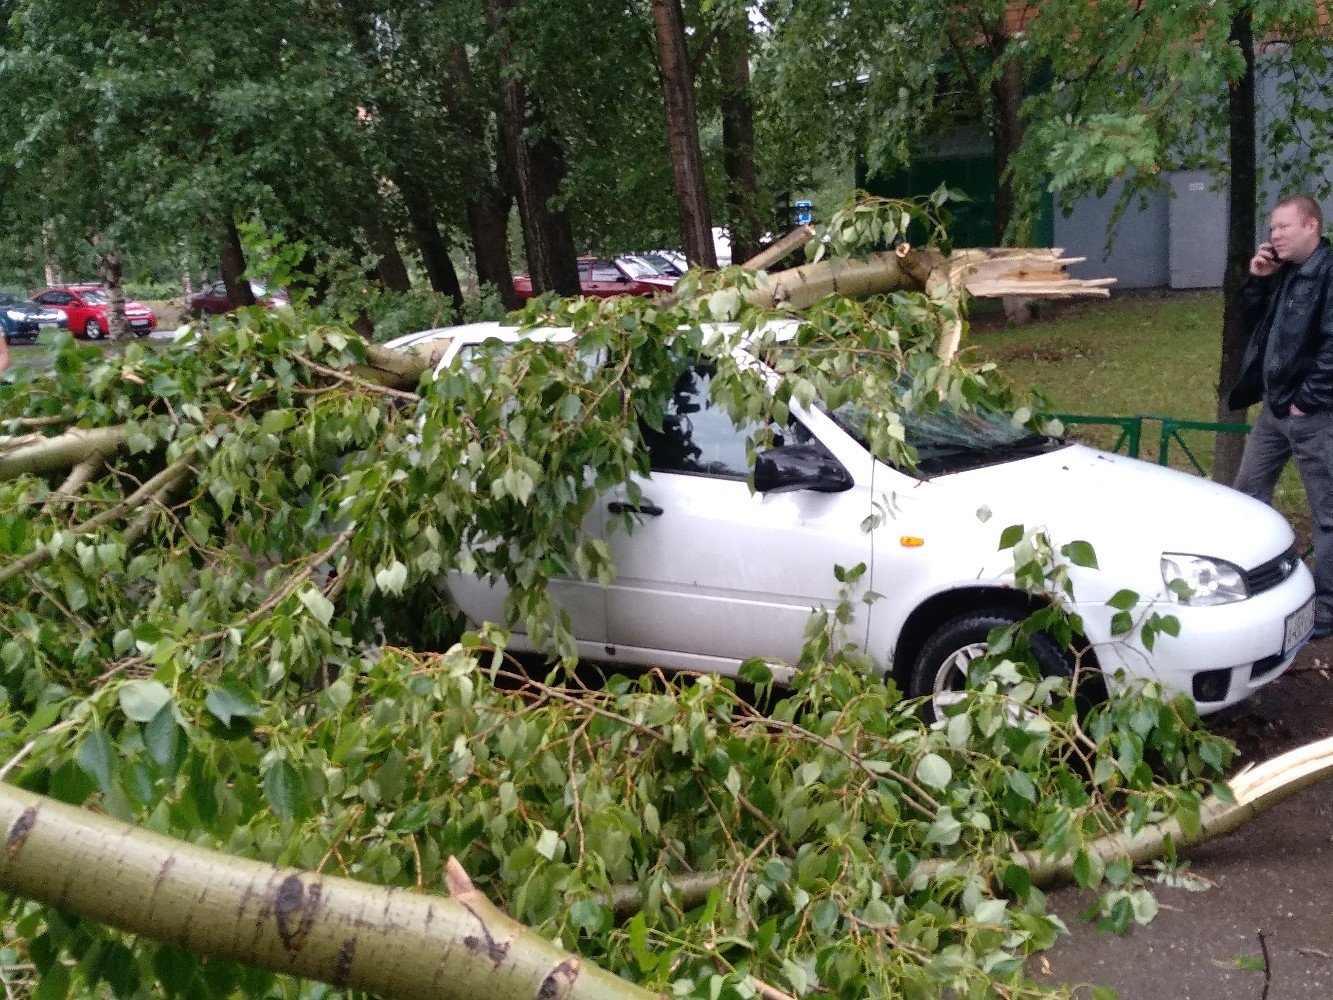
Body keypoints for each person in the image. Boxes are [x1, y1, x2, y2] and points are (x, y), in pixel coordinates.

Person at [1229, 194, 1333, 639]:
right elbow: (1254, 323)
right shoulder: (1284, 272)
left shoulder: (1327, 273)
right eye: (1272, 228)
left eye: (1284, 227)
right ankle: (1253, 584)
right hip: (1274, 411)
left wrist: (1306, 400)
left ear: (1312, 226)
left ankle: (1327, 608)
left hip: (1313, 415)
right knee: (1247, 497)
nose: (1274, 236)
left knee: (1326, 514)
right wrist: (1257, 280)